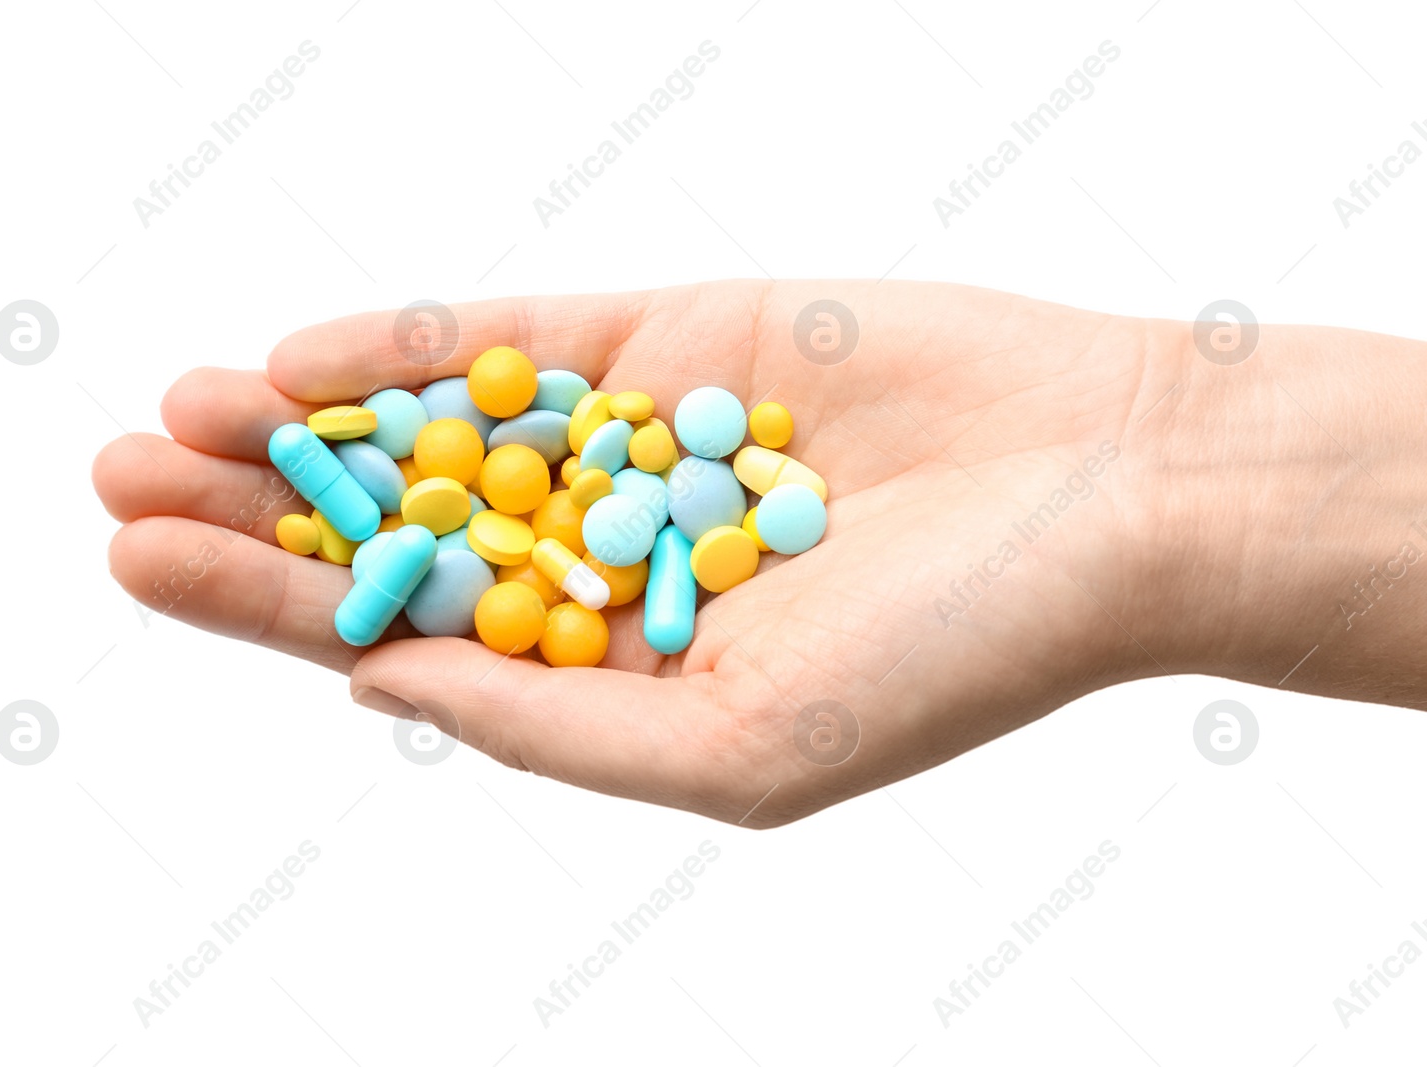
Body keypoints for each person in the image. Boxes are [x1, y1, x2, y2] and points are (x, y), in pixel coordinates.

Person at [91, 280, 1423, 827]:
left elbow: (586, 533)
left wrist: (1158, 454)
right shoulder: (532, 477)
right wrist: (1163, 451)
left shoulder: (620, 490)